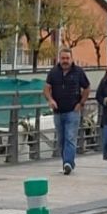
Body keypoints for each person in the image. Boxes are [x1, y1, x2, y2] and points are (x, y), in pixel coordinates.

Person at [44, 46, 93, 175]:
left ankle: (68, 163)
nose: (65, 60)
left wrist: (81, 103)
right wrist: (50, 100)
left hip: (73, 110)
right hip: (58, 111)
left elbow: (87, 88)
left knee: (70, 137)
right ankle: (67, 162)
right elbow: (46, 88)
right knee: (61, 140)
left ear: (71, 58)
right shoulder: (53, 72)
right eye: (63, 58)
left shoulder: (78, 72)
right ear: (59, 59)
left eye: (67, 58)